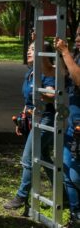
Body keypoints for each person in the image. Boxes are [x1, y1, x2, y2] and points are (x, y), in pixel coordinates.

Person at [3, 41, 55, 211]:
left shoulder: (49, 72)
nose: (28, 52)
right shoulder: (30, 72)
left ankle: (21, 196)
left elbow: (51, 95)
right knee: (45, 157)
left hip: (46, 119)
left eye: (33, 49)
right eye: (29, 49)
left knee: (29, 158)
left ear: (43, 53)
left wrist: (43, 92)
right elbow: (28, 101)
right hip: (32, 118)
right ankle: (64, 193)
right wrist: (21, 119)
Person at [55, 27, 80, 226]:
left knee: (75, 175)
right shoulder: (77, 57)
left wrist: (65, 52)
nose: (78, 38)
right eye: (77, 34)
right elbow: (66, 77)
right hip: (72, 126)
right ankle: (75, 215)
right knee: (66, 171)